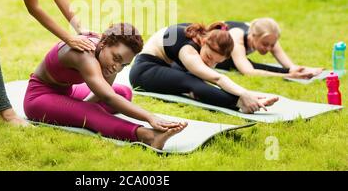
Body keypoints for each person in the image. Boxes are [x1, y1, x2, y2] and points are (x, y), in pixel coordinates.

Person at [24, 23, 187, 150]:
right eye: (116, 58)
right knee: (94, 110)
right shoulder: (84, 55)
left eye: (123, 64)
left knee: (123, 92)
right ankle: (147, 136)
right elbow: (108, 97)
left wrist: (79, 107)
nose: (117, 67)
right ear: (103, 44)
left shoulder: (106, 51)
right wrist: (150, 117)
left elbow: (106, 93)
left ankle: (77, 111)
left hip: (68, 92)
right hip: (38, 98)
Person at [129, 22, 279, 114]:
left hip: (167, 66)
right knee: (191, 81)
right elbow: (217, 78)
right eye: (208, 57)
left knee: (196, 79)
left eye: (216, 62)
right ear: (204, 41)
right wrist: (243, 94)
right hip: (144, 71)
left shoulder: (202, 36)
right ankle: (239, 103)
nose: (210, 64)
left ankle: (249, 99)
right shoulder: (188, 50)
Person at [215, 18, 324, 78]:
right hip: (213, 55)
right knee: (245, 64)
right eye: (265, 44)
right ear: (253, 36)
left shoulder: (267, 34)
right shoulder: (236, 36)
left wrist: (298, 69)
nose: (268, 48)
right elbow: (248, 72)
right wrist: (289, 75)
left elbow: (288, 64)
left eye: (272, 44)